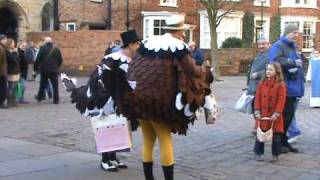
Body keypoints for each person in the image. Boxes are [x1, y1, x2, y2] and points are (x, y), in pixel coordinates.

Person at [126, 14, 213, 180]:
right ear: (179, 32)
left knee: (148, 140)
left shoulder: (147, 43)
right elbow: (193, 70)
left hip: (139, 98)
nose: (184, 35)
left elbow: (134, 67)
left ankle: (149, 178)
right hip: (160, 103)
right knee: (165, 140)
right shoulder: (178, 46)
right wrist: (207, 73)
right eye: (183, 32)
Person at [61, 30, 141, 172]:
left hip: (121, 100)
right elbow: (99, 79)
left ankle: (113, 157)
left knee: (119, 127)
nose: (139, 46)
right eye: (137, 44)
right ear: (130, 45)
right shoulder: (113, 58)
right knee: (107, 127)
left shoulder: (131, 59)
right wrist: (105, 99)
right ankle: (105, 160)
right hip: (106, 100)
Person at [268, 24, 304, 153]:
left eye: (297, 32)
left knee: (289, 116)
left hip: (294, 87)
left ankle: (284, 141)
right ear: (287, 33)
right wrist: (292, 62)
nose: (297, 35)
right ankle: (279, 143)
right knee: (283, 116)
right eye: (294, 32)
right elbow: (274, 61)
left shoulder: (292, 46)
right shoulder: (278, 46)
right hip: (286, 87)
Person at [253, 62, 286, 163]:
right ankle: (258, 153)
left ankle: (275, 154)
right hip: (263, 114)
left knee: (276, 136)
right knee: (260, 135)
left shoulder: (281, 84)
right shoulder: (261, 83)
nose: (268, 71)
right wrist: (257, 110)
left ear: (277, 71)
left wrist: (277, 112)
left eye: (271, 69)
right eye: (267, 69)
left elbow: (281, 99)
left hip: (274, 116)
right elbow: (257, 97)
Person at [247, 37, 270, 133]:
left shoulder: (270, 56)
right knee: (255, 107)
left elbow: (272, 69)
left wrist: (258, 74)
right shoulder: (258, 55)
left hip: (263, 86)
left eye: (264, 44)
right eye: (259, 44)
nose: (261, 46)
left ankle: (261, 127)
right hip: (254, 86)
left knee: (260, 107)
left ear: (269, 44)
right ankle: (258, 126)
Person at [34, 37, 63, 104]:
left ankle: (39, 97)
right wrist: (57, 66)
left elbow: (38, 60)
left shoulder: (42, 48)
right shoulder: (56, 49)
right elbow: (60, 59)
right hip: (54, 69)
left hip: (44, 70)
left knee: (43, 84)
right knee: (55, 85)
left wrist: (35, 69)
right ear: (51, 41)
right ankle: (56, 100)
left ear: (45, 41)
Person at [5, 38, 21, 108]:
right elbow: (13, 60)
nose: (14, 44)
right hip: (11, 72)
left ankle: (14, 101)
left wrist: (16, 53)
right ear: (9, 44)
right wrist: (14, 52)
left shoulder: (13, 51)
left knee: (15, 87)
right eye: (12, 43)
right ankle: (9, 102)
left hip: (16, 71)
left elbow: (18, 60)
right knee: (11, 87)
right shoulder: (7, 52)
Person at [0, 34, 8, 108]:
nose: (6, 40)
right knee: (3, 89)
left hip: (3, 72)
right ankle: (1, 103)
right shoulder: (1, 48)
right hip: (1, 73)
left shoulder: (3, 48)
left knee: (4, 88)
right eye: (4, 39)